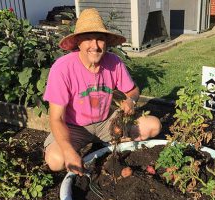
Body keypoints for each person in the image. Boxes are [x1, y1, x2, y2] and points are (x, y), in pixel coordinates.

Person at [43, 8, 161, 175]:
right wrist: (69, 151)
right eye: (88, 39)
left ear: (106, 42)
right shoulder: (62, 69)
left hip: (107, 123)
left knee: (153, 126)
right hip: (74, 127)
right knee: (56, 160)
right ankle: (95, 145)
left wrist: (131, 100)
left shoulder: (114, 62)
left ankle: (105, 144)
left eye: (100, 39)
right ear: (78, 43)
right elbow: (56, 118)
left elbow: (133, 90)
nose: (95, 46)